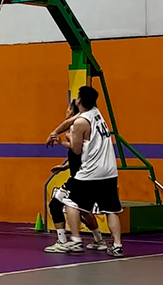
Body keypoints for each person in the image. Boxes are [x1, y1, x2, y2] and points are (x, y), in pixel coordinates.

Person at [60, 86, 124, 257]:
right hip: (109, 171)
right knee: (111, 210)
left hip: (91, 171)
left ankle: (75, 240)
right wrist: (56, 131)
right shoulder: (96, 113)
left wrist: (61, 141)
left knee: (70, 203)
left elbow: (76, 150)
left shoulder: (80, 123)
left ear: (79, 100)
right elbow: (70, 121)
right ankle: (117, 245)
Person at [43, 101, 107, 253]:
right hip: (87, 174)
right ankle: (99, 240)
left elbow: (77, 150)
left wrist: (61, 142)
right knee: (84, 209)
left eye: (68, 108)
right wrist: (65, 166)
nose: (66, 111)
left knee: (55, 205)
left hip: (79, 178)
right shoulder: (89, 127)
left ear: (73, 111)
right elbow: (81, 155)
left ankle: (63, 241)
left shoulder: (74, 129)